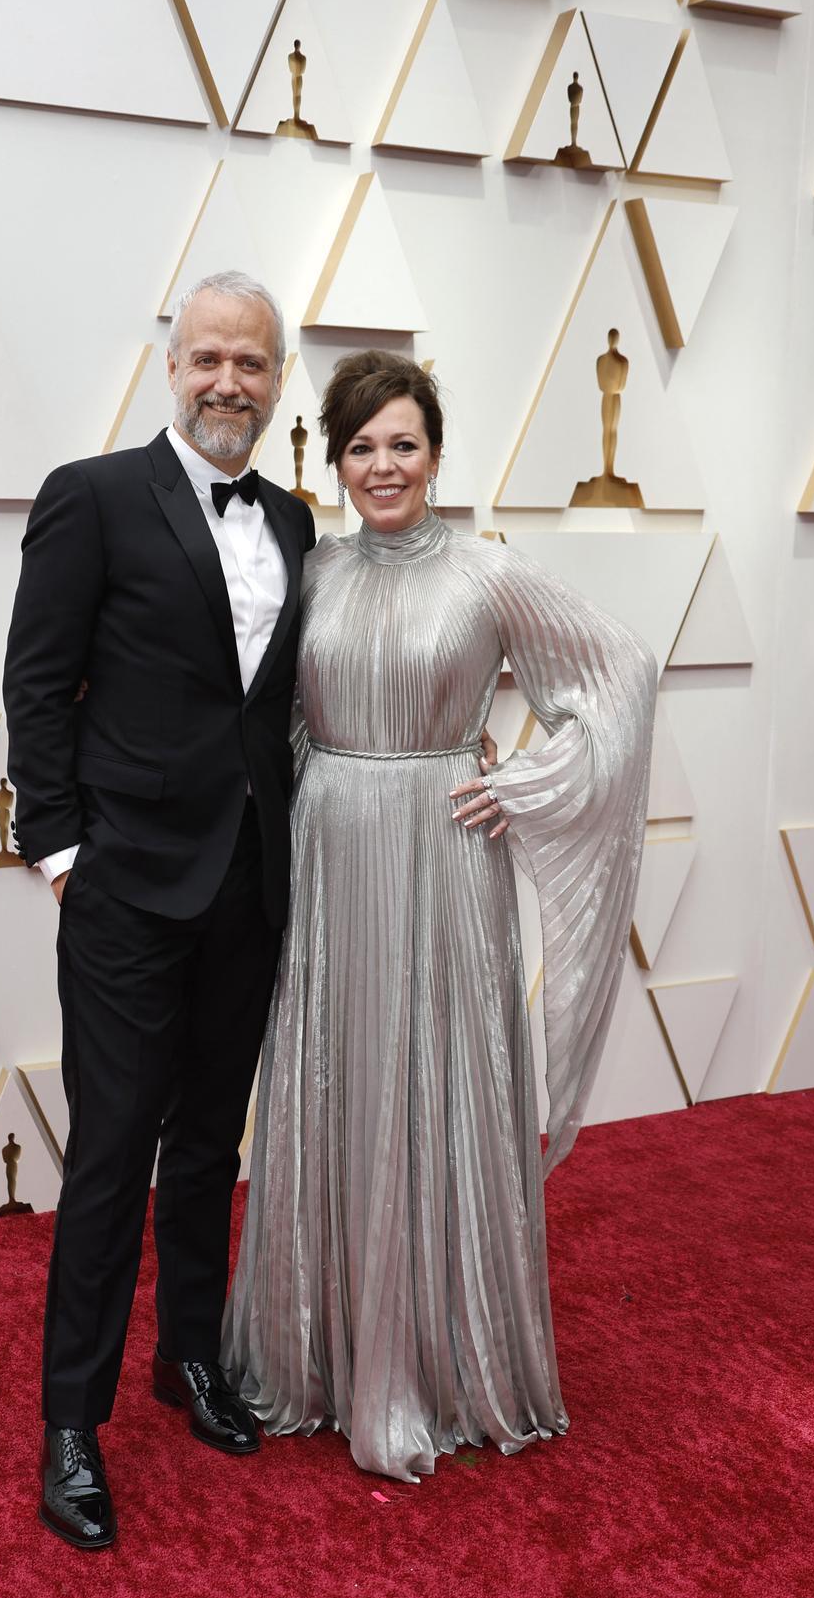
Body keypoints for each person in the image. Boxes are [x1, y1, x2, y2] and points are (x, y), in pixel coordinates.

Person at [223, 351, 657, 1483]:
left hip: (446, 852)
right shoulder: (312, 571)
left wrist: (528, 783)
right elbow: (274, 716)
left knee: (435, 1077)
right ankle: (322, 1356)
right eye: (361, 446)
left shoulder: (486, 572)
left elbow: (622, 670)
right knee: (338, 1076)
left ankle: (437, 1361)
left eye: (403, 444)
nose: (384, 466)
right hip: (330, 853)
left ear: (436, 454)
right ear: (335, 459)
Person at [3, 271, 314, 1549]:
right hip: (124, 886)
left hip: (249, 882)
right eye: (209, 359)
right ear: (171, 366)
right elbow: (36, 683)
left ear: (277, 379)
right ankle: (70, 1425)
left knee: (207, 1145)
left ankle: (189, 1354)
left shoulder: (295, 520)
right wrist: (61, 857)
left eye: (253, 362)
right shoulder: (90, 496)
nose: (229, 381)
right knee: (112, 1151)